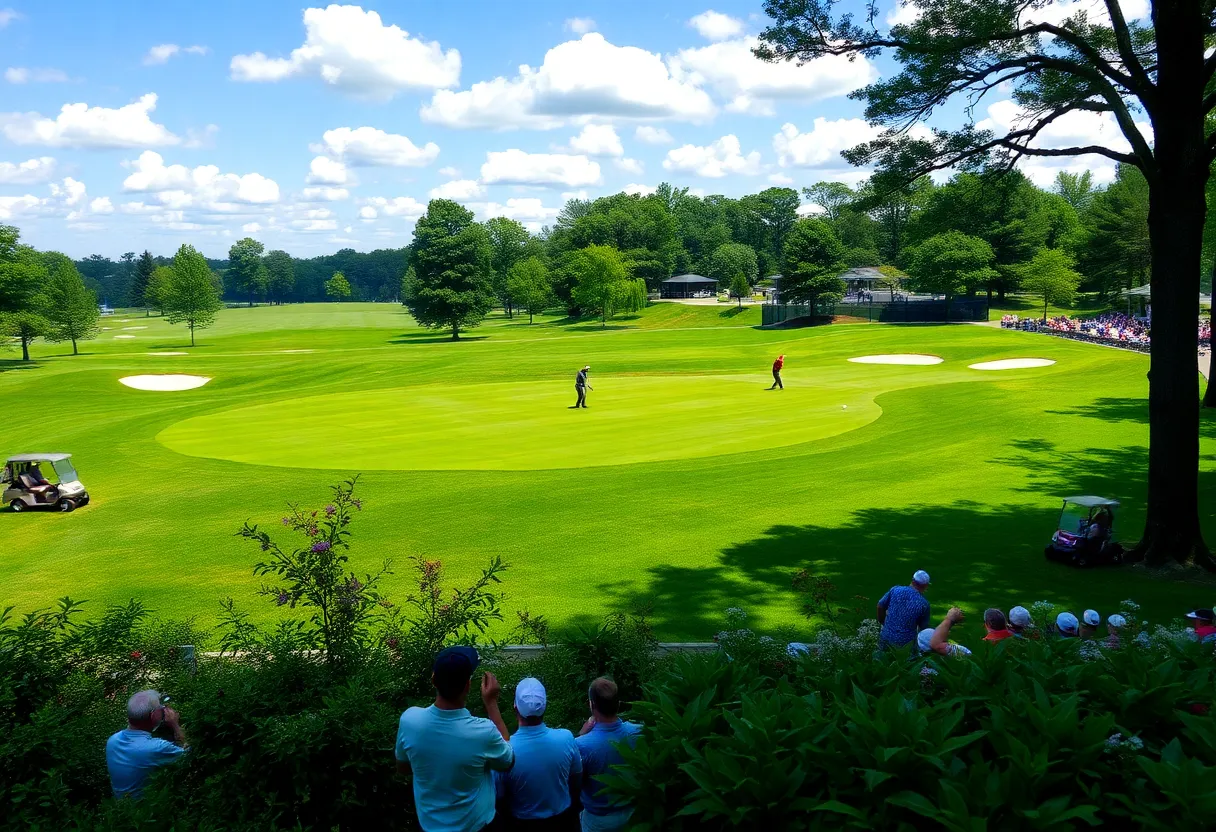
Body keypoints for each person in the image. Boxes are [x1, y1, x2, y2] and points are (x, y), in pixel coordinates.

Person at [395, 647, 515, 832]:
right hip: (477, 827)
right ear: (468, 685)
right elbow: (507, 761)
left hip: (428, 826)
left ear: (433, 679)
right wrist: (491, 703)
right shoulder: (483, 732)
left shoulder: (410, 720)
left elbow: (403, 768)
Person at [497, 677, 582, 830]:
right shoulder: (566, 738)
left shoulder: (504, 750)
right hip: (565, 822)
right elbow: (576, 780)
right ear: (544, 706)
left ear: (515, 707)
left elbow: (499, 798)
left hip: (522, 824)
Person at [576, 678, 641, 832]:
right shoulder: (638, 732)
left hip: (598, 821)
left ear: (592, 704)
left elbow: (574, 783)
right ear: (618, 704)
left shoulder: (581, 745)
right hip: (634, 815)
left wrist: (581, 734)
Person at [106, 689, 188, 799]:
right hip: (148, 807)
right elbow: (191, 757)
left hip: (122, 806)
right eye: (161, 708)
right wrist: (175, 725)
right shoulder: (157, 748)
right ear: (153, 716)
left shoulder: (112, 740)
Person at [876, 570, 932, 650]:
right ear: (925, 586)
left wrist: (883, 622)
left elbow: (880, 606)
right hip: (906, 645)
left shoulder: (895, 590)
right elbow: (923, 629)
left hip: (886, 638)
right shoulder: (924, 604)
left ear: (913, 580)